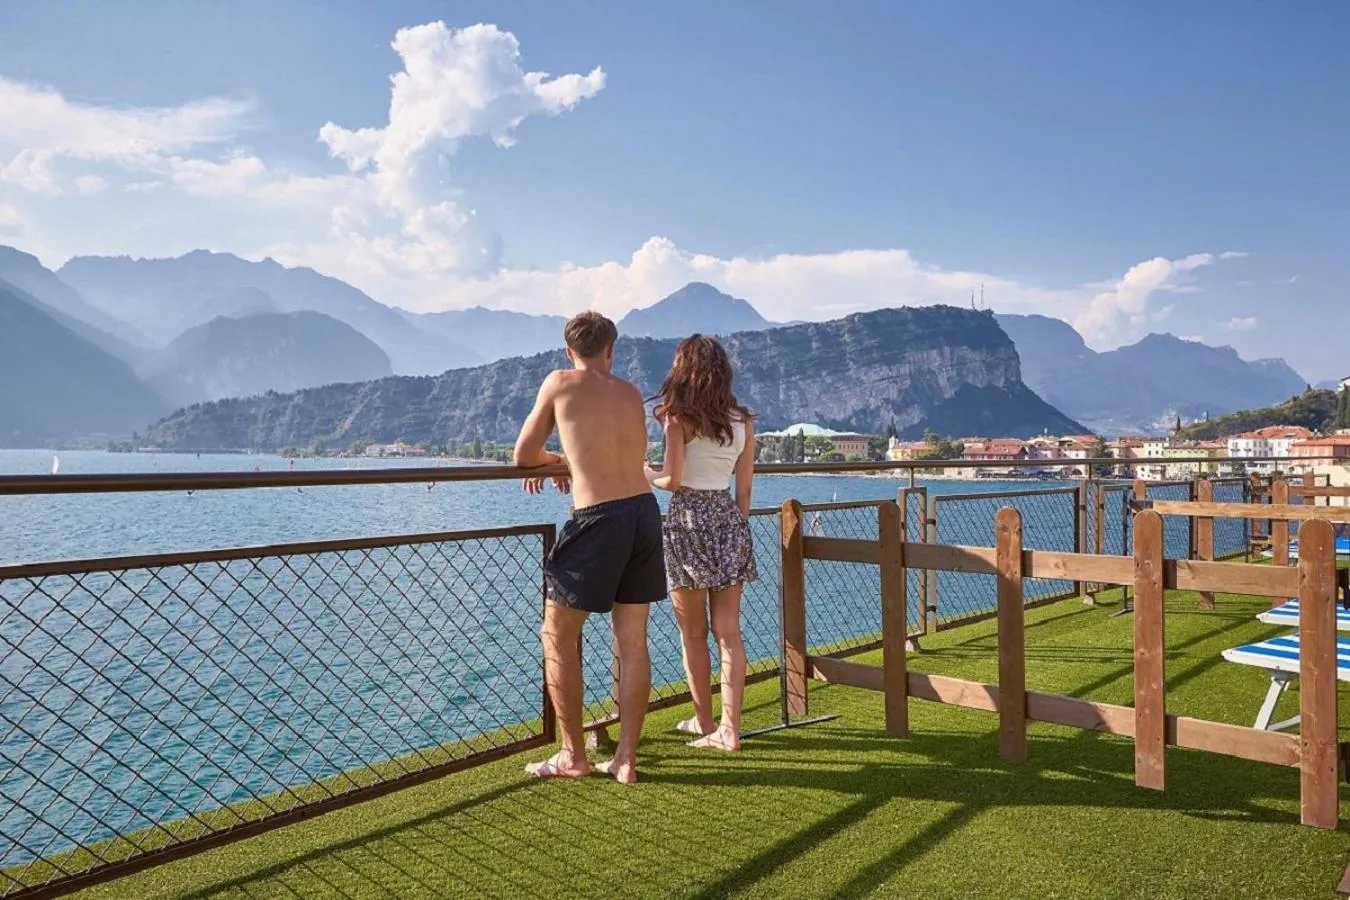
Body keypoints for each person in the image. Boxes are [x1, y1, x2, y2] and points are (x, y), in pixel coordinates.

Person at [514, 311, 665, 785]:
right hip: (643, 512)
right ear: (611, 349)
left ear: (568, 350)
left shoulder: (559, 383)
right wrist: (570, 461)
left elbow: (523, 456)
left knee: (557, 637)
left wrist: (557, 459)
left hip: (598, 519)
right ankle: (625, 759)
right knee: (633, 640)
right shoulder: (629, 393)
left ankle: (573, 755)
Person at [645, 335, 757, 751]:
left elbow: (671, 480)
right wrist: (735, 531)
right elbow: (744, 490)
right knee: (729, 631)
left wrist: (643, 472)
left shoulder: (677, 419)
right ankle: (731, 729)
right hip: (728, 519)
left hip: (688, 521)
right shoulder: (743, 421)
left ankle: (706, 722)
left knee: (693, 633)